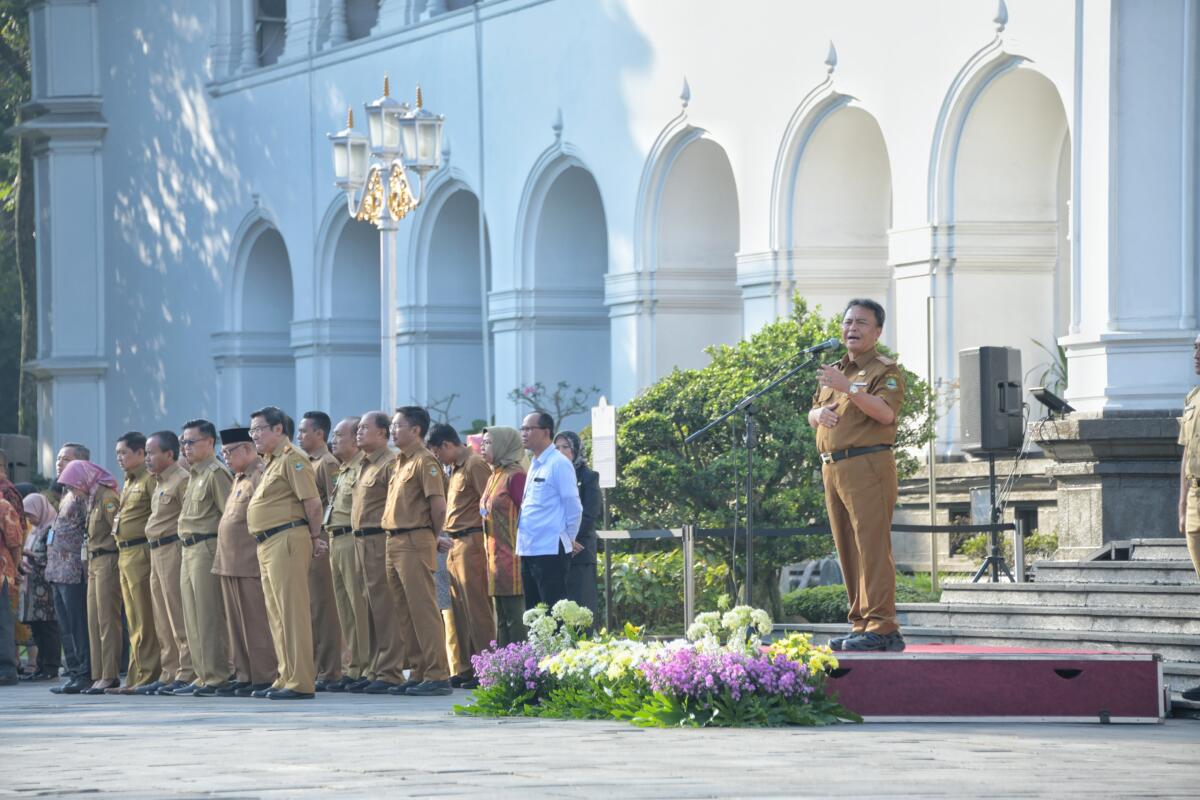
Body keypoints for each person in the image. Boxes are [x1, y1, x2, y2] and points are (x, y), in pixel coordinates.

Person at [809, 298, 906, 653]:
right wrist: (818, 416)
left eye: (862, 323)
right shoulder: (836, 369)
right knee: (847, 548)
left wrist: (849, 388)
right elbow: (813, 411)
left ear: (877, 332)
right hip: (833, 467)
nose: (852, 328)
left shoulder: (885, 370)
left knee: (872, 547)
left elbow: (884, 414)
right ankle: (860, 623)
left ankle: (883, 626)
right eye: (848, 321)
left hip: (868, 466)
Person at [246, 405, 326, 700]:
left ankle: (301, 681)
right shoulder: (270, 462)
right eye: (252, 430)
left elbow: (313, 504)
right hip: (269, 543)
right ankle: (285, 675)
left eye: (258, 429)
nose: (254, 435)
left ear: (278, 429)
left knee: (292, 613)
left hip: (287, 539)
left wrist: (315, 537)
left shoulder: (294, 460)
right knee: (277, 614)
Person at [381, 406, 451, 697]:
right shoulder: (399, 462)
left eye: (398, 426)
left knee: (423, 609)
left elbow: (438, 507)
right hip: (394, 540)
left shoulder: (425, 462)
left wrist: (431, 537)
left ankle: (438, 674)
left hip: (415, 539)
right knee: (404, 611)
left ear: (415, 430)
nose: (393, 431)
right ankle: (419, 670)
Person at [212, 426, 278, 697]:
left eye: (229, 451)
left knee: (256, 622)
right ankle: (244, 673)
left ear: (247, 449)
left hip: (249, 561)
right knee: (236, 625)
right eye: (223, 452)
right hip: (229, 561)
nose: (225, 456)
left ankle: (263, 675)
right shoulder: (238, 478)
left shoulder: (259, 475)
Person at [428, 423, 495, 687]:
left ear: (447, 445)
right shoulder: (454, 469)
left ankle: (487, 668)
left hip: (471, 540)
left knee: (477, 608)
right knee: (459, 609)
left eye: (437, 451)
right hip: (454, 543)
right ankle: (466, 667)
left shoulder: (474, 464)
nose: (437, 458)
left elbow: (487, 504)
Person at [175, 419, 234, 696]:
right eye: (182, 442)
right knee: (192, 616)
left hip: (206, 548)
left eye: (190, 442)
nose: (185, 448)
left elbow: (229, 518)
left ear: (209, 443)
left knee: (208, 615)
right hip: (187, 549)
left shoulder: (216, 473)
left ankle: (216, 674)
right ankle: (201, 674)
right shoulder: (194, 475)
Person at [350, 411, 405, 694]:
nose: (358, 432)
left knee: (384, 608)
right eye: (357, 428)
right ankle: (373, 668)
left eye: (364, 428)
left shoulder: (390, 463)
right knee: (367, 608)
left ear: (383, 433)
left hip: (378, 539)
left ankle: (391, 670)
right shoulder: (364, 464)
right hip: (359, 541)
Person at [57, 460, 122, 694]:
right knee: (93, 621)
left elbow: (117, 534)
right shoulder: (92, 499)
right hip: (94, 562)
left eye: (73, 486)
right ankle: (98, 674)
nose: (72, 492)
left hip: (107, 560)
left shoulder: (106, 498)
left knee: (106, 620)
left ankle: (110, 674)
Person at [139, 430, 196, 694]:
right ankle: (169, 669)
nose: (147, 459)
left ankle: (186, 670)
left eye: (151, 453)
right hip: (155, 551)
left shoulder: (182, 480)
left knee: (177, 613)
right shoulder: (159, 481)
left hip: (173, 549)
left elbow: (187, 519)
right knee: (161, 616)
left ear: (169, 454)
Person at [107, 431, 160, 694]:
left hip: (141, 552)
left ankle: (148, 676)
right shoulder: (128, 481)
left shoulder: (149, 479)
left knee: (144, 617)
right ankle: (136, 675)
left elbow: (157, 514)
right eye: (117, 453)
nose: (119, 458)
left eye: (124, 453)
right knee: (132, 619)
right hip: (125, 554)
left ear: (141, 453)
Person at [297, 410, 343, 691]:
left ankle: (330, 669)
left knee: (323, 607)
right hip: (306, 539)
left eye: (304, 432)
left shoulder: (327, 463)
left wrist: (320, 534)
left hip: (321, 538)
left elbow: (333, 500)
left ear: (319, 434)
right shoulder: (304, 462)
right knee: (311, 606)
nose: (300, 436)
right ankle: (316, 666)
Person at [517, 412, 582, 611]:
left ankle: (560, 645)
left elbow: (573, 506)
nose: (524, 433)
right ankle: (537, 645)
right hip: (528, 548)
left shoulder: (559, 463)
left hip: (550, 549)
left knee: (555, 614)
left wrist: (568, 539)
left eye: (529, 429)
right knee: (534, 614)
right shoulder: (535, 464)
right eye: (523, 429)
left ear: (546, 432)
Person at [324, 417, 371, 692]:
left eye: (339, 435)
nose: (334, 440)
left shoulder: (362, 468)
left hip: (352, 539)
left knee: (358, 606)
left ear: (355, 439)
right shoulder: (344, 469)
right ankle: (353, 667)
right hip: (335, 538)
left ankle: (367, 665)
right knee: (345, 609)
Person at [46, 442, 91, 694]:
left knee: (77, 625)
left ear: (81, 464)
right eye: (58, 459)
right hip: (57, 571)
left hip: (74, 570)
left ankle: (85, 672)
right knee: (65, 626)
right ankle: (74, 671)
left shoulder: (83, 495)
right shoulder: (66, 494)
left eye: (65, 459)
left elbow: (90, 530)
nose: (59, 463)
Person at [478, 427, 528, 645]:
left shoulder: (515, 476)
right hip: (495, 558)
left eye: (488, 443)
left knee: (515, 618)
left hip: (513, 558)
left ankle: (519, 670)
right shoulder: (494, 476)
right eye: (483, 442)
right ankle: (501, 672)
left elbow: (527, 514)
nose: (482, 447)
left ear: (503, 445)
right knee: (502, 618)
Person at [555, 431, 602, 621]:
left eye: (565, 447)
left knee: (581, 606)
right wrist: (562, 539)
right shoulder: (554, 475)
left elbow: (589, 514)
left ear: (575, 450)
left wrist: (571, 539)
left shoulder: (588, 477)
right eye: (556, 447)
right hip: (558, 548)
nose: (560, 451)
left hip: (580, 549)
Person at [1176, 334, 1200, 702]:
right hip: (1196, 496)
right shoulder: (1193, 398)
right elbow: (1183, 456)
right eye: (1195, 348)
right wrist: (1181, 505)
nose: (1196, 355)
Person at [18, 491, 60, 681]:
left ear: (40, 510)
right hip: (33, 589)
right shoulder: (35, 531)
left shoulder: (51, 528)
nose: (29, 519)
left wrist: (28, 555)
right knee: (37, 629)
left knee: (48, 628)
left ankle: (50, 667)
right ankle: (40, 667)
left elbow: (52, 556)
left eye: (30, 514)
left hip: (46, 589)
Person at [0, 486, 22, 686]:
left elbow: (14, 543)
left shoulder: (3, 506)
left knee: (3, 622)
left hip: (1, 572)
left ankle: (6, 670)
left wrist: (14, 569)